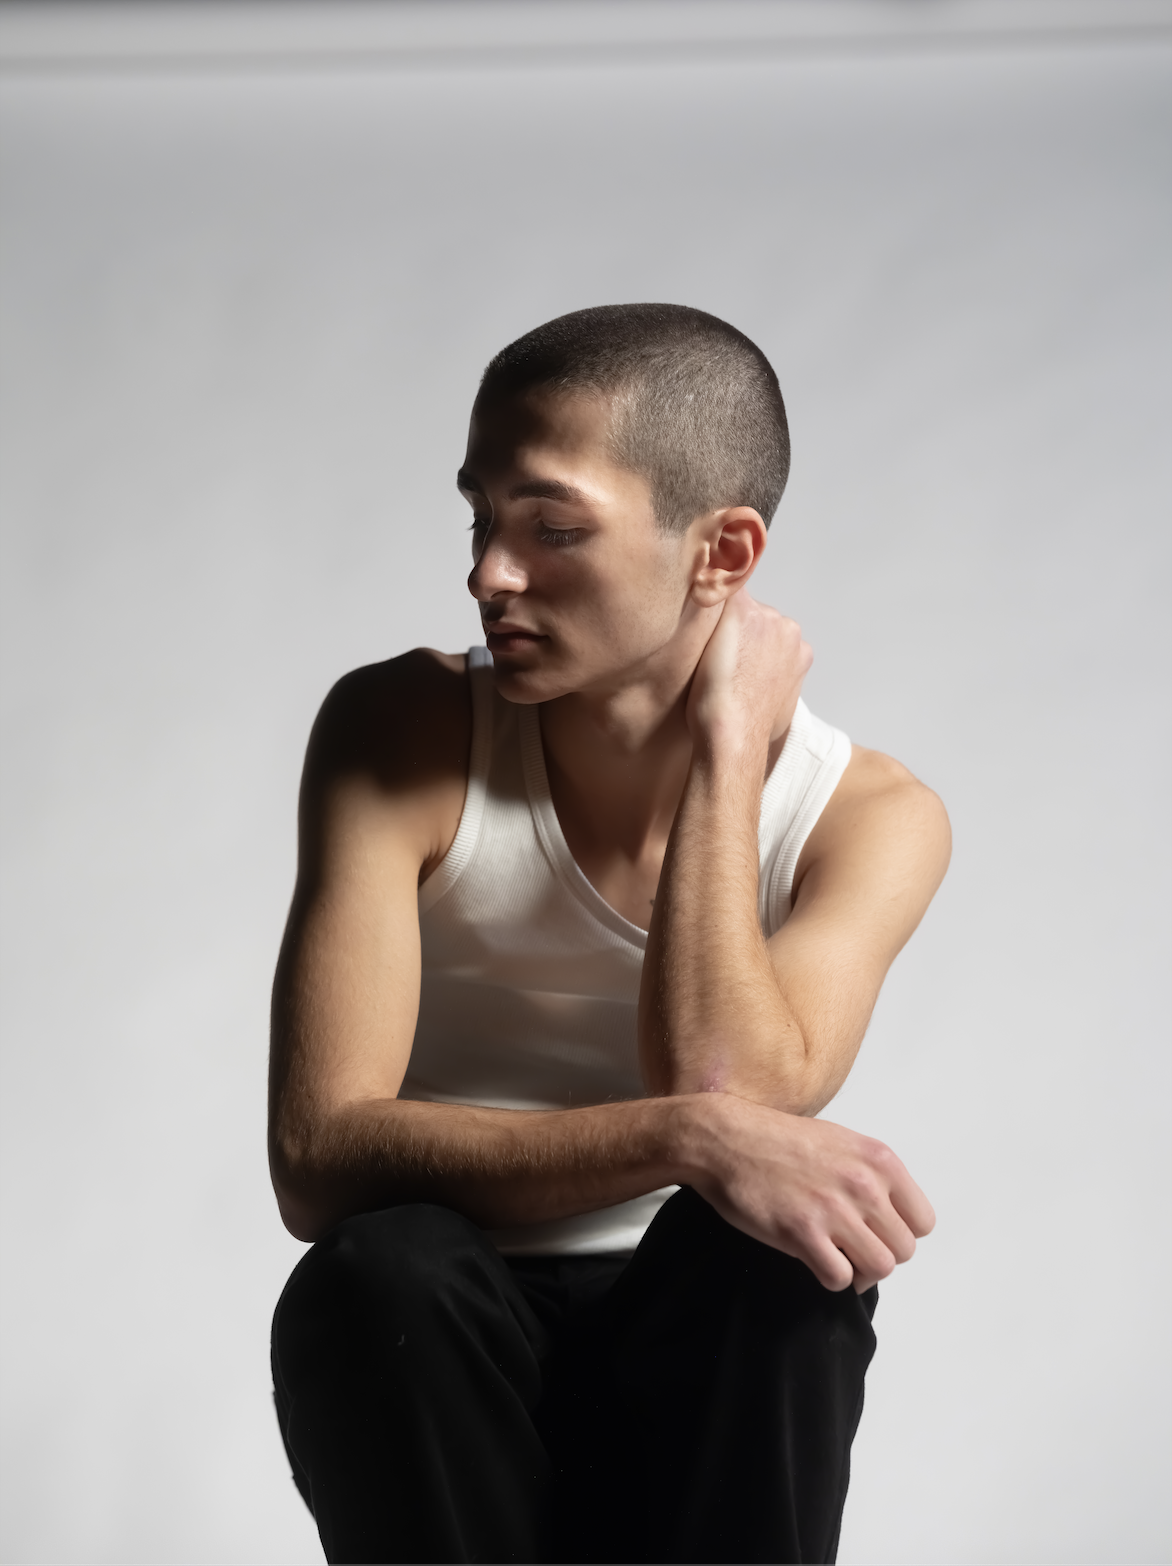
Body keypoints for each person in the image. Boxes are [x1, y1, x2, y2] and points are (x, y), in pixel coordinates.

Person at [268, 303, 950, 1565]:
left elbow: (727, 1079)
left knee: (773, 1270)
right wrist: (687, 1137)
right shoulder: (399, 731)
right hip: (439, 1334)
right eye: (479, 519)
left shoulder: (870, 816)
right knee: (382, 1269)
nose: (487, 574)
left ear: (722, 552)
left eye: (551, 528)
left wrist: (726, 749)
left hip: (698, 1347)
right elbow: (318, 1159)